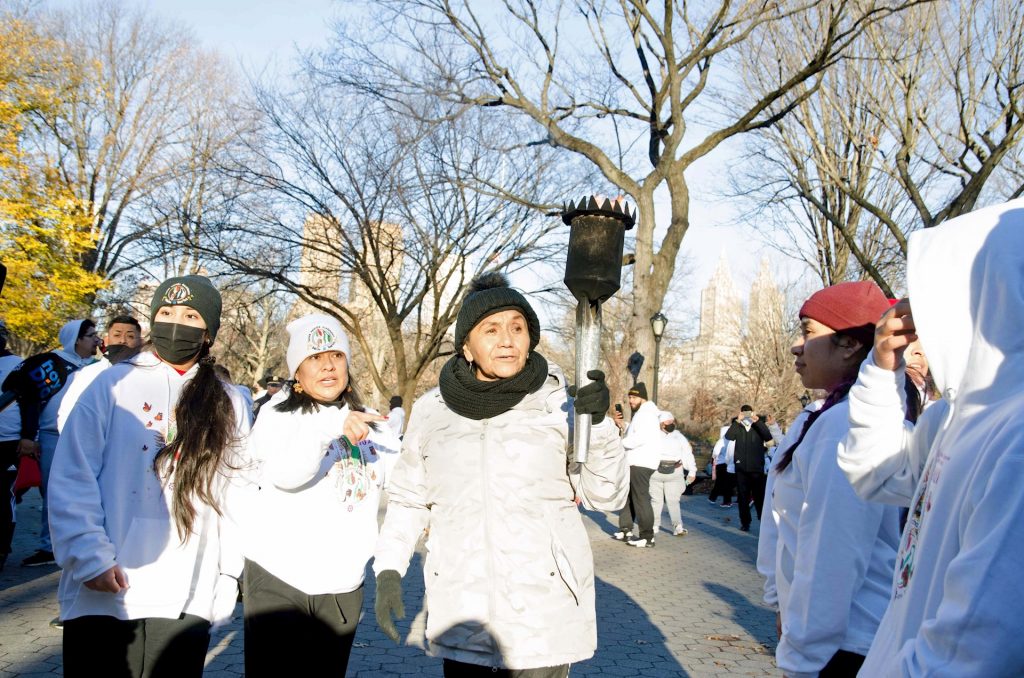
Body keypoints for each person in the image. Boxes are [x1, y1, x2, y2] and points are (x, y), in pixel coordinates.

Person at [372, 272, 627, 678]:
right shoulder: (431, 412)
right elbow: (408, 499)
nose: (507, 339)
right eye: (491, 329)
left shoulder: (560, 404)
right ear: (467, 347)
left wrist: (598, 426)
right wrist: (388, 570)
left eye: (517, 327)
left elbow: (606, 496)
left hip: (543, 616)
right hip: (463, 614)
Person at [838, 199, 1024, 675]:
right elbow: (877, 474)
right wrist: (882, 372)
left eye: (932, 295)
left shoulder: (1015, 434)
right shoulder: (955, 416)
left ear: (989, 293)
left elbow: (973, 652)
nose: (915, 314)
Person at [48, 274, 250, 677]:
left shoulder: (228, 400)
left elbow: (238, 493)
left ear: (208, 331)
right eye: (166, 312)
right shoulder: (110, 383)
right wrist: (88, 556)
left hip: (186, 589)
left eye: (191, 315)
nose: (177, 322)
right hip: (106, 586)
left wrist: (228, 573)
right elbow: (73, 475)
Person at [234, 313, 399, 677]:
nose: (327, 366)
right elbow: (288, 475)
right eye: (314, 357)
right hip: (279, 579)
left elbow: (404, 485)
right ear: (297, 371)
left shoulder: (371, 424)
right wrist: (332, 429)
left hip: (342, 585)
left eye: (336, 356)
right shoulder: (277, 416)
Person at [767, 280, 899, 677]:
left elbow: (834, 551)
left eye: (809, 331)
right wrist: (781, 603)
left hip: (844, 643)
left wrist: (803, 653)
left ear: (849, 345)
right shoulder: (830, 415)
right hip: (838, 638)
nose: (796, 345)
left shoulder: (844, 423)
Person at [2, 318, 100, 567]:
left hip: (85, 436)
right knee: (52, 492)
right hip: (52, 436)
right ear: (76, 339)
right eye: (90, 335)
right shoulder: (49, 364)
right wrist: (31, 437)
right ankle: (49, 546)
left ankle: (77, 542)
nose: (96, 340)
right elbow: (30, 402)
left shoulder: (94, 366)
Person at [57, 315, 144, 433]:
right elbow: (68, 413)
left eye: (130, 336)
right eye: (117, 335)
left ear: (141, 342)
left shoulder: (148, 375)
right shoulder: (89, 373)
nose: (122, 340)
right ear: (107, 340)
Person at [614, 382, 661, 547]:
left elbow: (640, 438)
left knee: (641, 499)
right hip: (637, 461)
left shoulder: (646, 414)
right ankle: (626, 528)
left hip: (641, 462)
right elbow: (637, 432)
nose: (631, 401)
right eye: (629, 398)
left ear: (643, 398)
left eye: (634, 397)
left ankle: (647, 536)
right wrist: (624, 426)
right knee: (629, 497)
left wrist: (619, 444)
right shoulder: (643, 413)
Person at [724, 405, 773, 532]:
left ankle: (763, 521)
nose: (746, 414)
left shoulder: (758, 426)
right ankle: (745, 522)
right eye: (744, 412)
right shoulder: (738, 427)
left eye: (748, 412)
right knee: (743, 497)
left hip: (756, 469)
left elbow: (768, 437)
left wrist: (757, 421)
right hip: (741, 468)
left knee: (759, 497)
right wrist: (737, 421)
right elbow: (729, 436)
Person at [650, 411, 696, 537]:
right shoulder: (653, 435)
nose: (670, 424)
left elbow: (687, 454)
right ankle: (655, 525)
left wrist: (692, 471)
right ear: (660, 424)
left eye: (671, 421)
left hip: (672, 472)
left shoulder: (678, 436)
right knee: (657, 501)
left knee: (672, 501)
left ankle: (677, 526)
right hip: (656, 472)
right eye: (667, 422)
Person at [0, 322, 23, 570]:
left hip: (8, 441)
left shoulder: (19, 365)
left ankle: (2, 548)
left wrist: (29, 436)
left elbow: (31, 403)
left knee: (4, 496)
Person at [707, 423, 735, 508]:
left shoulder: (721, 441)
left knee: (719, 483)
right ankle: (727, 500)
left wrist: (713, 461)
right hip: (731, 464)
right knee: (728, 484)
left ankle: (713, 498)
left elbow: (715, 453)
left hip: (721, 464)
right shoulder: (733, 440)